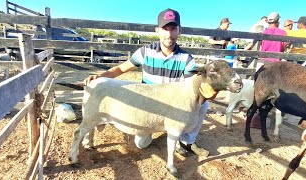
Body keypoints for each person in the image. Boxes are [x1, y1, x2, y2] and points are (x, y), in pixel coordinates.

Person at [83, 8, 216, 157]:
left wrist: (210, 93)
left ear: (180, 30)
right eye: (165, 29)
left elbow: (194, 86)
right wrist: (100, 76)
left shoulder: (186, 59)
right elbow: (121, 68)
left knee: (203, 105)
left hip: (173, 106)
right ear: (157, 30)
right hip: (148, 106)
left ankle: (187, 141)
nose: (169, 34)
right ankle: (162, 130)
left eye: (173, 29)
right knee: (141, 144)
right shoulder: (145, 52)